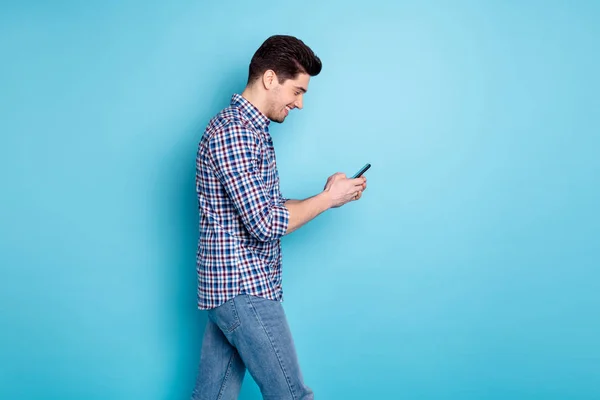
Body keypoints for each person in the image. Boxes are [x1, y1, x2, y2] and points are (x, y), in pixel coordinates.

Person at [191, 34, 367, 400]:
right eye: (298, 91)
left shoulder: (250, 131)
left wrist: (326, 196)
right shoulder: (235, 133)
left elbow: (264, 207)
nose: (300, 104)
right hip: (244, 287)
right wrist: (327, 199)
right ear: (270, 79)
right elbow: (265, 223)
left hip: (233, 288)